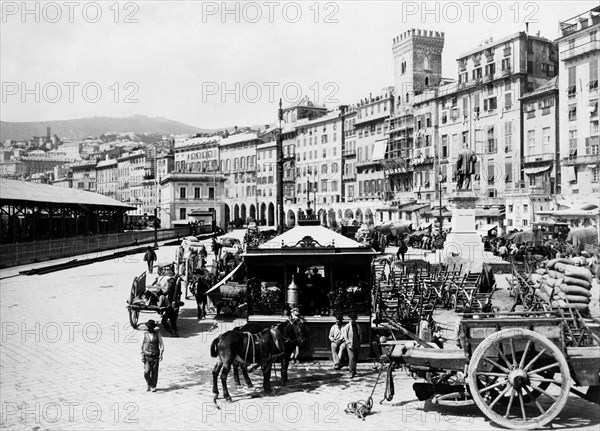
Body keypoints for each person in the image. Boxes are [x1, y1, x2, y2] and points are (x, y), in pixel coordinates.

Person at [141, 319, 164, 392]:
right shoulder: (144, 334)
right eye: (149, 327)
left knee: (154, 372)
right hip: (147, 356)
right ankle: (148, 383)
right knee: (147, 371)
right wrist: (142, 355)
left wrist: (161, 354)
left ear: (153, 328)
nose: (149, 329)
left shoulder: (157, 334)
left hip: (155, 356)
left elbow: (161, 344)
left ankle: (153, 386)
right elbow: (141, 345)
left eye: (151, 327)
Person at [342, 312, 361, 378]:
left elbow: (360, 334)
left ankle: (354, 370)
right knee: (351, 357)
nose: (353, 320)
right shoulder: (347, 326)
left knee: (355, 357)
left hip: (357, 343)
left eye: (354, 318)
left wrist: (359, 342)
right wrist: (348, 343)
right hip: (350, 344)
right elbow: (345, 335)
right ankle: (351, 371)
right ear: (350, 319)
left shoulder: (357, 325)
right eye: (351, 318)